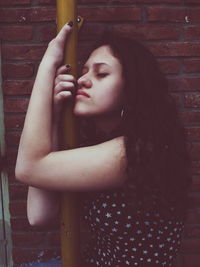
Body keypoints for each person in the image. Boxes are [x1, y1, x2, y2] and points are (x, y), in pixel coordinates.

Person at [15, 21, 191, 267]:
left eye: (101, 73)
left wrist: (48, 65)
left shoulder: (134, 152)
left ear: (131, 89)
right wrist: (53, 119)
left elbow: (28, 168)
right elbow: (39, 215)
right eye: (84, 71)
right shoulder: (101, 147)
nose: (83, 80)